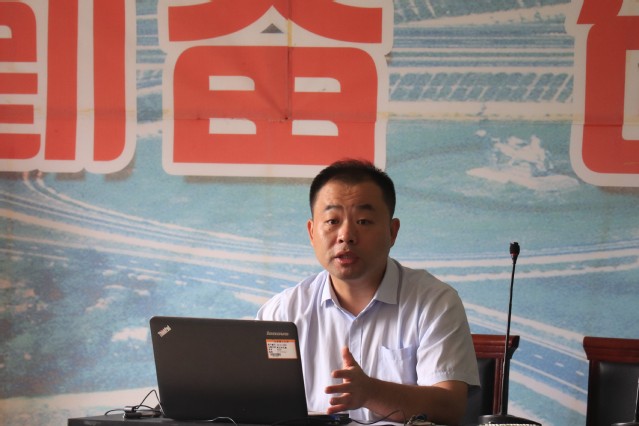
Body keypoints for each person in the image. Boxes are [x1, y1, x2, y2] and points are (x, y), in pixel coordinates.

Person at [256, 159, 479, 425]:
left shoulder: (434, 302)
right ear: (312, 232)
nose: (346, 235)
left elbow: (450, 406)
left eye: (363, 221)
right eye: (332, 221)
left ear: (392, 232)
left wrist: (372, 393)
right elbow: (256, 402)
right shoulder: (282, 312)